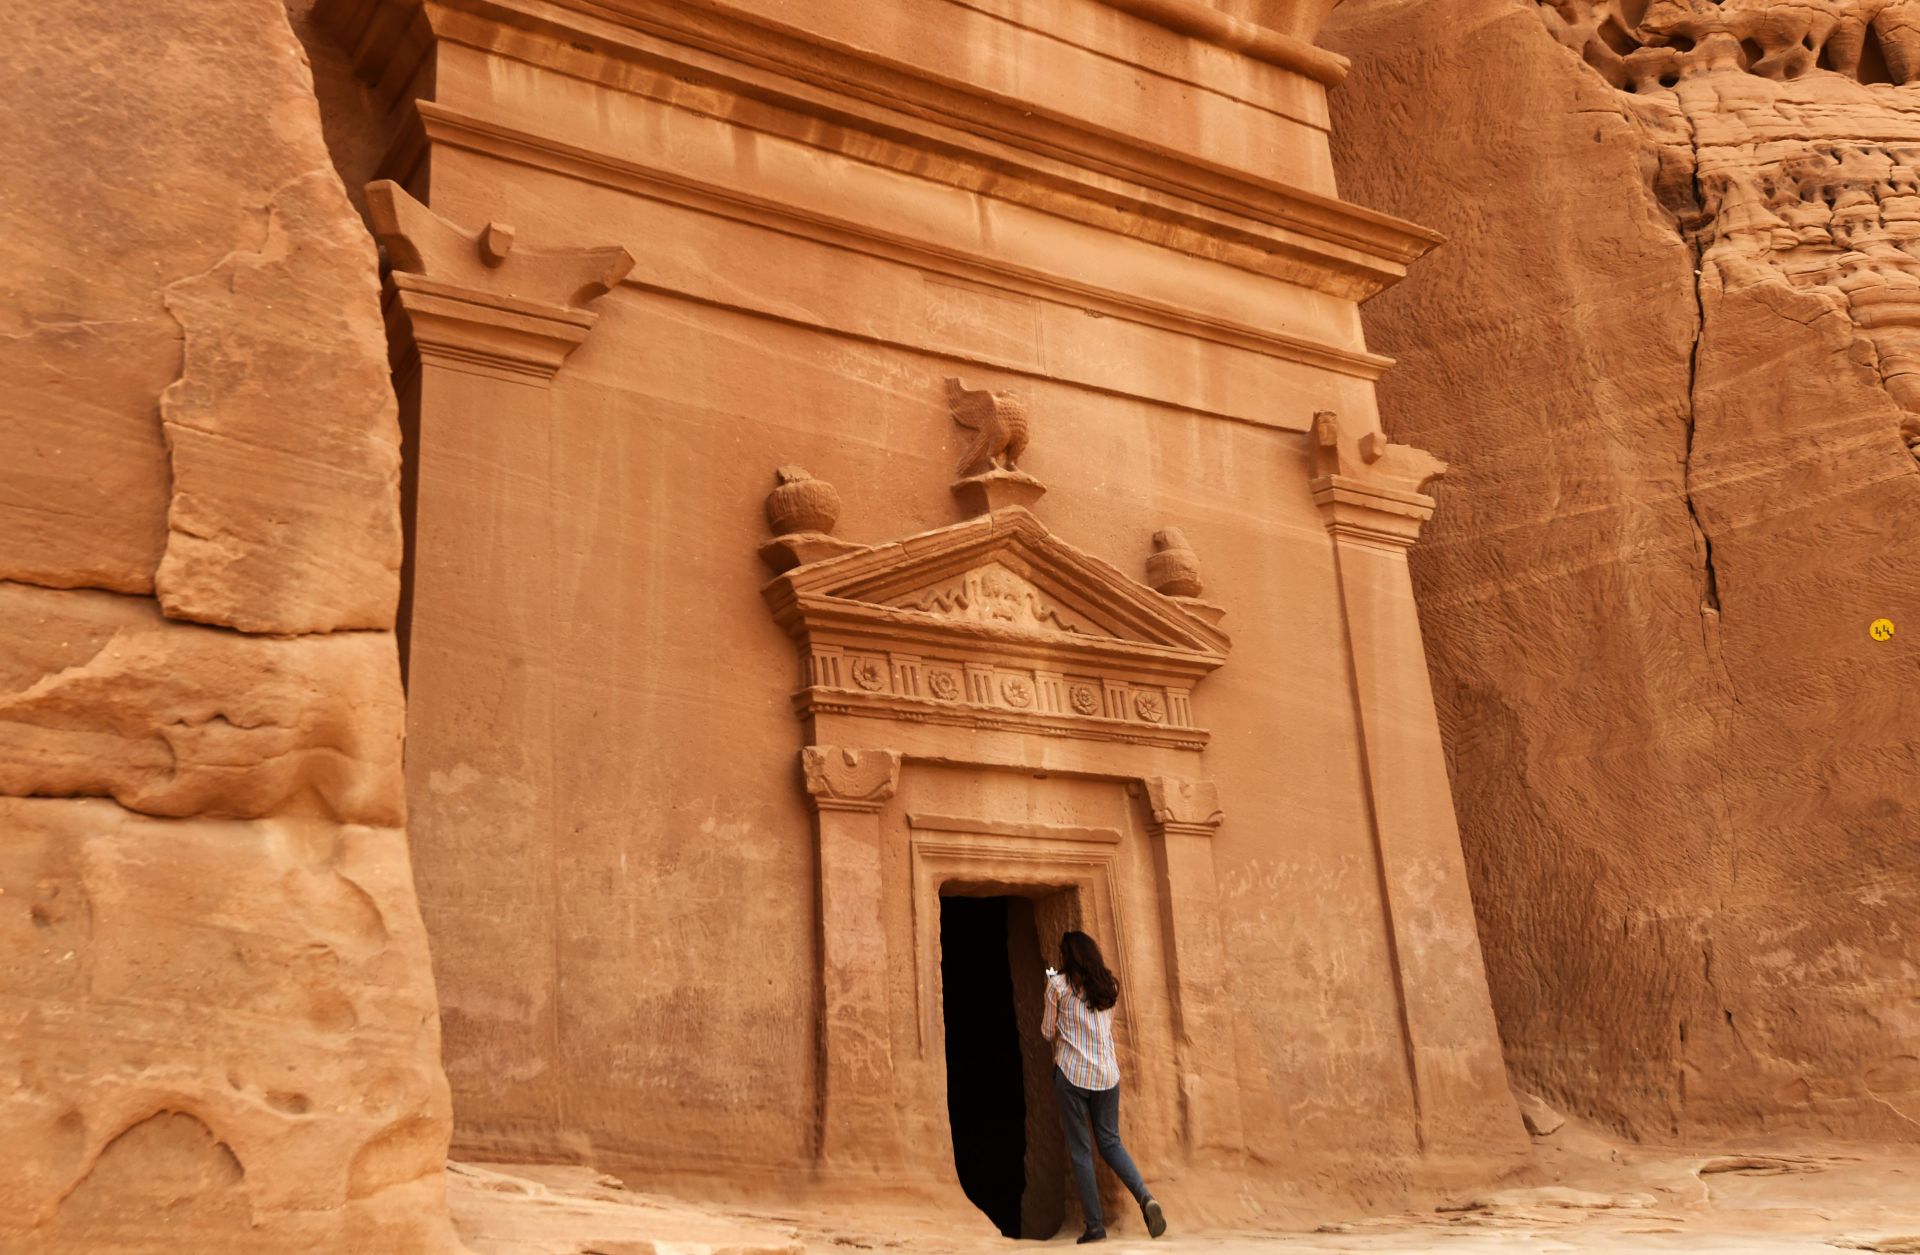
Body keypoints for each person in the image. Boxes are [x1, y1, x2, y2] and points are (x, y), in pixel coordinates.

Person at [1041, 930, 1167, 1243]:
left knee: (1081, 1150)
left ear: (1067, 956)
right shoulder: (1108, 986)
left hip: (1072, 1076)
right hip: (1107, 1076)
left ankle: (1095, 1227)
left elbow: (1046, 1032)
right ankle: (1145, 1198)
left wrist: (1054, 999)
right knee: (1111, 1143)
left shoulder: (1058, 985)